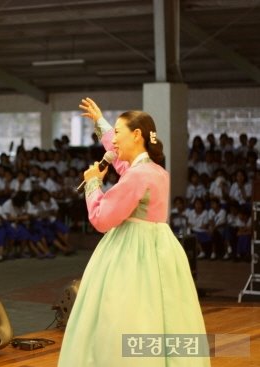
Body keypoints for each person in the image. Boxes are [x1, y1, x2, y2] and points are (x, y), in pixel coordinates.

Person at [58, 98, 210, 366]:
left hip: (131, 252)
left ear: (137, 135)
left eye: (118, 132)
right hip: (160, 250)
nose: (113, 140)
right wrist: (101, 123)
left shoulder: (137, 176)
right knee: (163, 314)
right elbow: (122, 164)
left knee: (122, 315)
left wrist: (93, 184)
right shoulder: (155, 171)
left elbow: (102, 219)